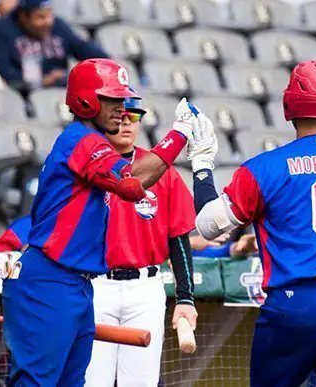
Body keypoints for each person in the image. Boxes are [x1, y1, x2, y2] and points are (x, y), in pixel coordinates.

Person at [1, 58, 210, 386]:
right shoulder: (80, 140)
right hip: (49, 278)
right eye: (111, 99)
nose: (120, 107)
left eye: (122, 99)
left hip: (78, 283)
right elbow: (130, 183)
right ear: (85, 99)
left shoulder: (93, 142)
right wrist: (179, 134)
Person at [192, 60, 316, 386]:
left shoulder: (265, 167)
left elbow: (207, 226)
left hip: (293, 304)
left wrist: (202, 165)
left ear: (290, 104)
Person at [84, 92, 197, 387]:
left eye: (134, 116)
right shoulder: (87, 167)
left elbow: (179, 238)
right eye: (120, 115)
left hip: (145, 287)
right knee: (93, 381)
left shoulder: (162, 171)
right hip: (96, 285)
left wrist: (185, 297)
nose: (127, 122)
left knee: (142, 383)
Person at [0, 0, 108, 88]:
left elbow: (82, 48)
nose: (49, 22)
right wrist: (41, 81)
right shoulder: (3, 30)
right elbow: (3, 70)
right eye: (41, 17)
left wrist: (105, 62)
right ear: (24, 17)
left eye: (50, 15)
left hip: (62, 88)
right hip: (26, 93)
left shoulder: (58, 26)